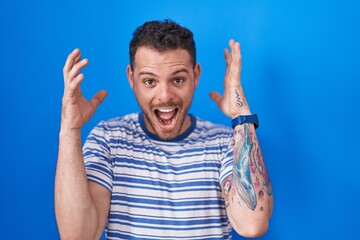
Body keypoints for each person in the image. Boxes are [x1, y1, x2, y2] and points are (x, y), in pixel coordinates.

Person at [55, 19, 273, 240]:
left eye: (177, 79)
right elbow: (77, 236)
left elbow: (252, 225)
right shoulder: (108, 139)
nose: (165, 95)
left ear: (195, 75)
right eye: (149, 81)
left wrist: (241, 115)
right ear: (132, 78)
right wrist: (70, 129)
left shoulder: (224, 142)